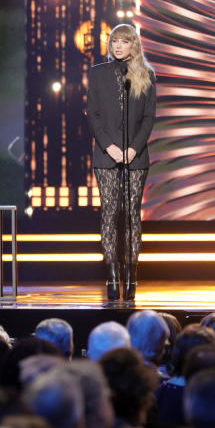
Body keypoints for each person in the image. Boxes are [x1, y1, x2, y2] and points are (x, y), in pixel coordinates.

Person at [85, 23, 156, 302]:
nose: (118, 46)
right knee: (110, 213)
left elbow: (149, 117)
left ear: (133, 45)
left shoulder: (146, 75)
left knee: (131, 215)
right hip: (106, 155)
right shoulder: (98, 73)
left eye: (124, 42)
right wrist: (111, 147)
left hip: (135, 157)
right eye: (114, 41)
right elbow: (93, 114)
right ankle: (112, 276)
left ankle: (132, 276)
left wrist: (133, 148)